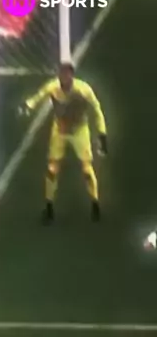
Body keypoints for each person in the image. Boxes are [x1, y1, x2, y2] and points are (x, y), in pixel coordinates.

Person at [20, 63, 107, 224]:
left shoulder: (83, 90)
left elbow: (97, 109)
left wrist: (102, 134)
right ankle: (49, 207)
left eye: (66, 75)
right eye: (61, 75)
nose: (63, 78)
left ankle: (95, 204)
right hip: (59, 130)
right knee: (52, 170)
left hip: (79, 131)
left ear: (72, 76)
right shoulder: (53, 87)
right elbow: (38, 97)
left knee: (87, 170)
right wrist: (28, 105)